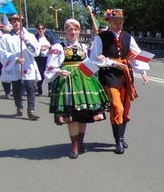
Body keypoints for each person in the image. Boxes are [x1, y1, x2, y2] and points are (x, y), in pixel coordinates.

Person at [45, 18, 110, 159]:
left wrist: (100, 59)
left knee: (83, 115)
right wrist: (58, 71)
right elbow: (50, 66)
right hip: (67, 82)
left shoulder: (83, 47)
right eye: (70, 29)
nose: (73, 32)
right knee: (72, 116)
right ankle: (74, 144)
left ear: (79, 31)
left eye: (76, 29)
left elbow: (90, 63)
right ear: (65, 30)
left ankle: (81, 141)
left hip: (84, 81)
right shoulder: (58, 47)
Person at [89, 8, 149, 154]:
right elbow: (94, 60)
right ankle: (118, 141)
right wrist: (111, 62)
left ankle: (121, 138)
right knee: (117, 107)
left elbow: (136, 56)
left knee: (125, 108)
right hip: (109, 75)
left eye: (121, 22)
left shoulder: (128, 37)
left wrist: (143, 71)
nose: (118, 25)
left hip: (125, 76)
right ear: (109, 22)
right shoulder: (100, 38)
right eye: (115, 22)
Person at [0, 14, 42, 120]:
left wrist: (25, 40)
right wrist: (15, 59)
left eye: (18, 21)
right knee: (17, 88)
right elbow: (1, 52)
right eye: (14, 21)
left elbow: (36, 51)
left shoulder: (30, 36)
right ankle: (19, 106)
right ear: (11, 23)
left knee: (30, 88)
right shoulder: (5, 37)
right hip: (15, 66)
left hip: (28, 65)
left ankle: (31, 110)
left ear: (22, 22)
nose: (16, 23)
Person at [33, 23, 56, 96]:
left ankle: (50, 89)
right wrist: (40, 48)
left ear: (44, 29)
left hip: (48, 57)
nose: (41, 30)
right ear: (37, 29)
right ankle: (39, 86)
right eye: (39, 28)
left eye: (42, 28)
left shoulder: (48, 37)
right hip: (39, 58)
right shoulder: (35, 38)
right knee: (41, 73)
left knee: (50, 72)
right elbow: (33, 48)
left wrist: (49, 47)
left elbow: (53, 45)